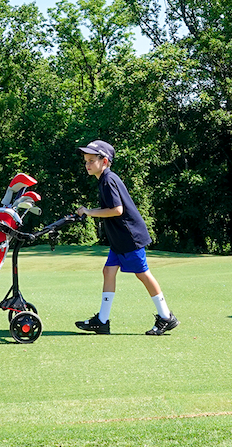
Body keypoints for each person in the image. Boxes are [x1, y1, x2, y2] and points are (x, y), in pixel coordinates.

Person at [74, 140, 179, 336]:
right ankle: (102, 322)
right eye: (85, 160)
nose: (87, 164)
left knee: (143, 274)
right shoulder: (104, 179)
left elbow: (116, 210)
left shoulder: (108, 180)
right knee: (108, 271)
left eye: (91, 160)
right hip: (119, 239)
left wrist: (88, 212)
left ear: (104, 161)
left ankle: (166, 316)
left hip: (129, 237)